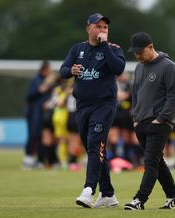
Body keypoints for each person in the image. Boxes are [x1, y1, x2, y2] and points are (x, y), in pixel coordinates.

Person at [59, 13, 125, 208]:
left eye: (105, 27)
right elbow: (63, 70)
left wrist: (104, 46)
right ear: (88, 28)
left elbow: (118, 68)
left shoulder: (113, 49)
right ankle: (108, 194)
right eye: (98, 26)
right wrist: (71, 71)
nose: (102, 30)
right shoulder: (77, 49)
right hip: (82, 106)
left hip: (104, 105)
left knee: (96, 144)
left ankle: (88, 190)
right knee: (94, 149)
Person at [124, 32, 175, 210]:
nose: (137, 56)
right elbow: (135, 93)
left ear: (150, 47)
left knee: (150, 162)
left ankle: (139, 200)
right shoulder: (139, 67)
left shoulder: (168, 66)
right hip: (140, 121)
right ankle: (174, 197)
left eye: (140, 52)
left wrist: (161, 119)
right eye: (135, 53)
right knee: (157, 161)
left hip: (160, 122)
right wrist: (135, 117)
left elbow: (173, 97)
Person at [23, 60, 56, 169]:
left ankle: (40, 159)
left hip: (44, 114)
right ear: (44, 70)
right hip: (33, 113)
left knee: (42, 136)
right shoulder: (36, 81)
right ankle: (28, 158)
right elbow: (28, 97)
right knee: (33, 134)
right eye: (49, 69)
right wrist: (40, 90)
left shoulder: (51, 83)